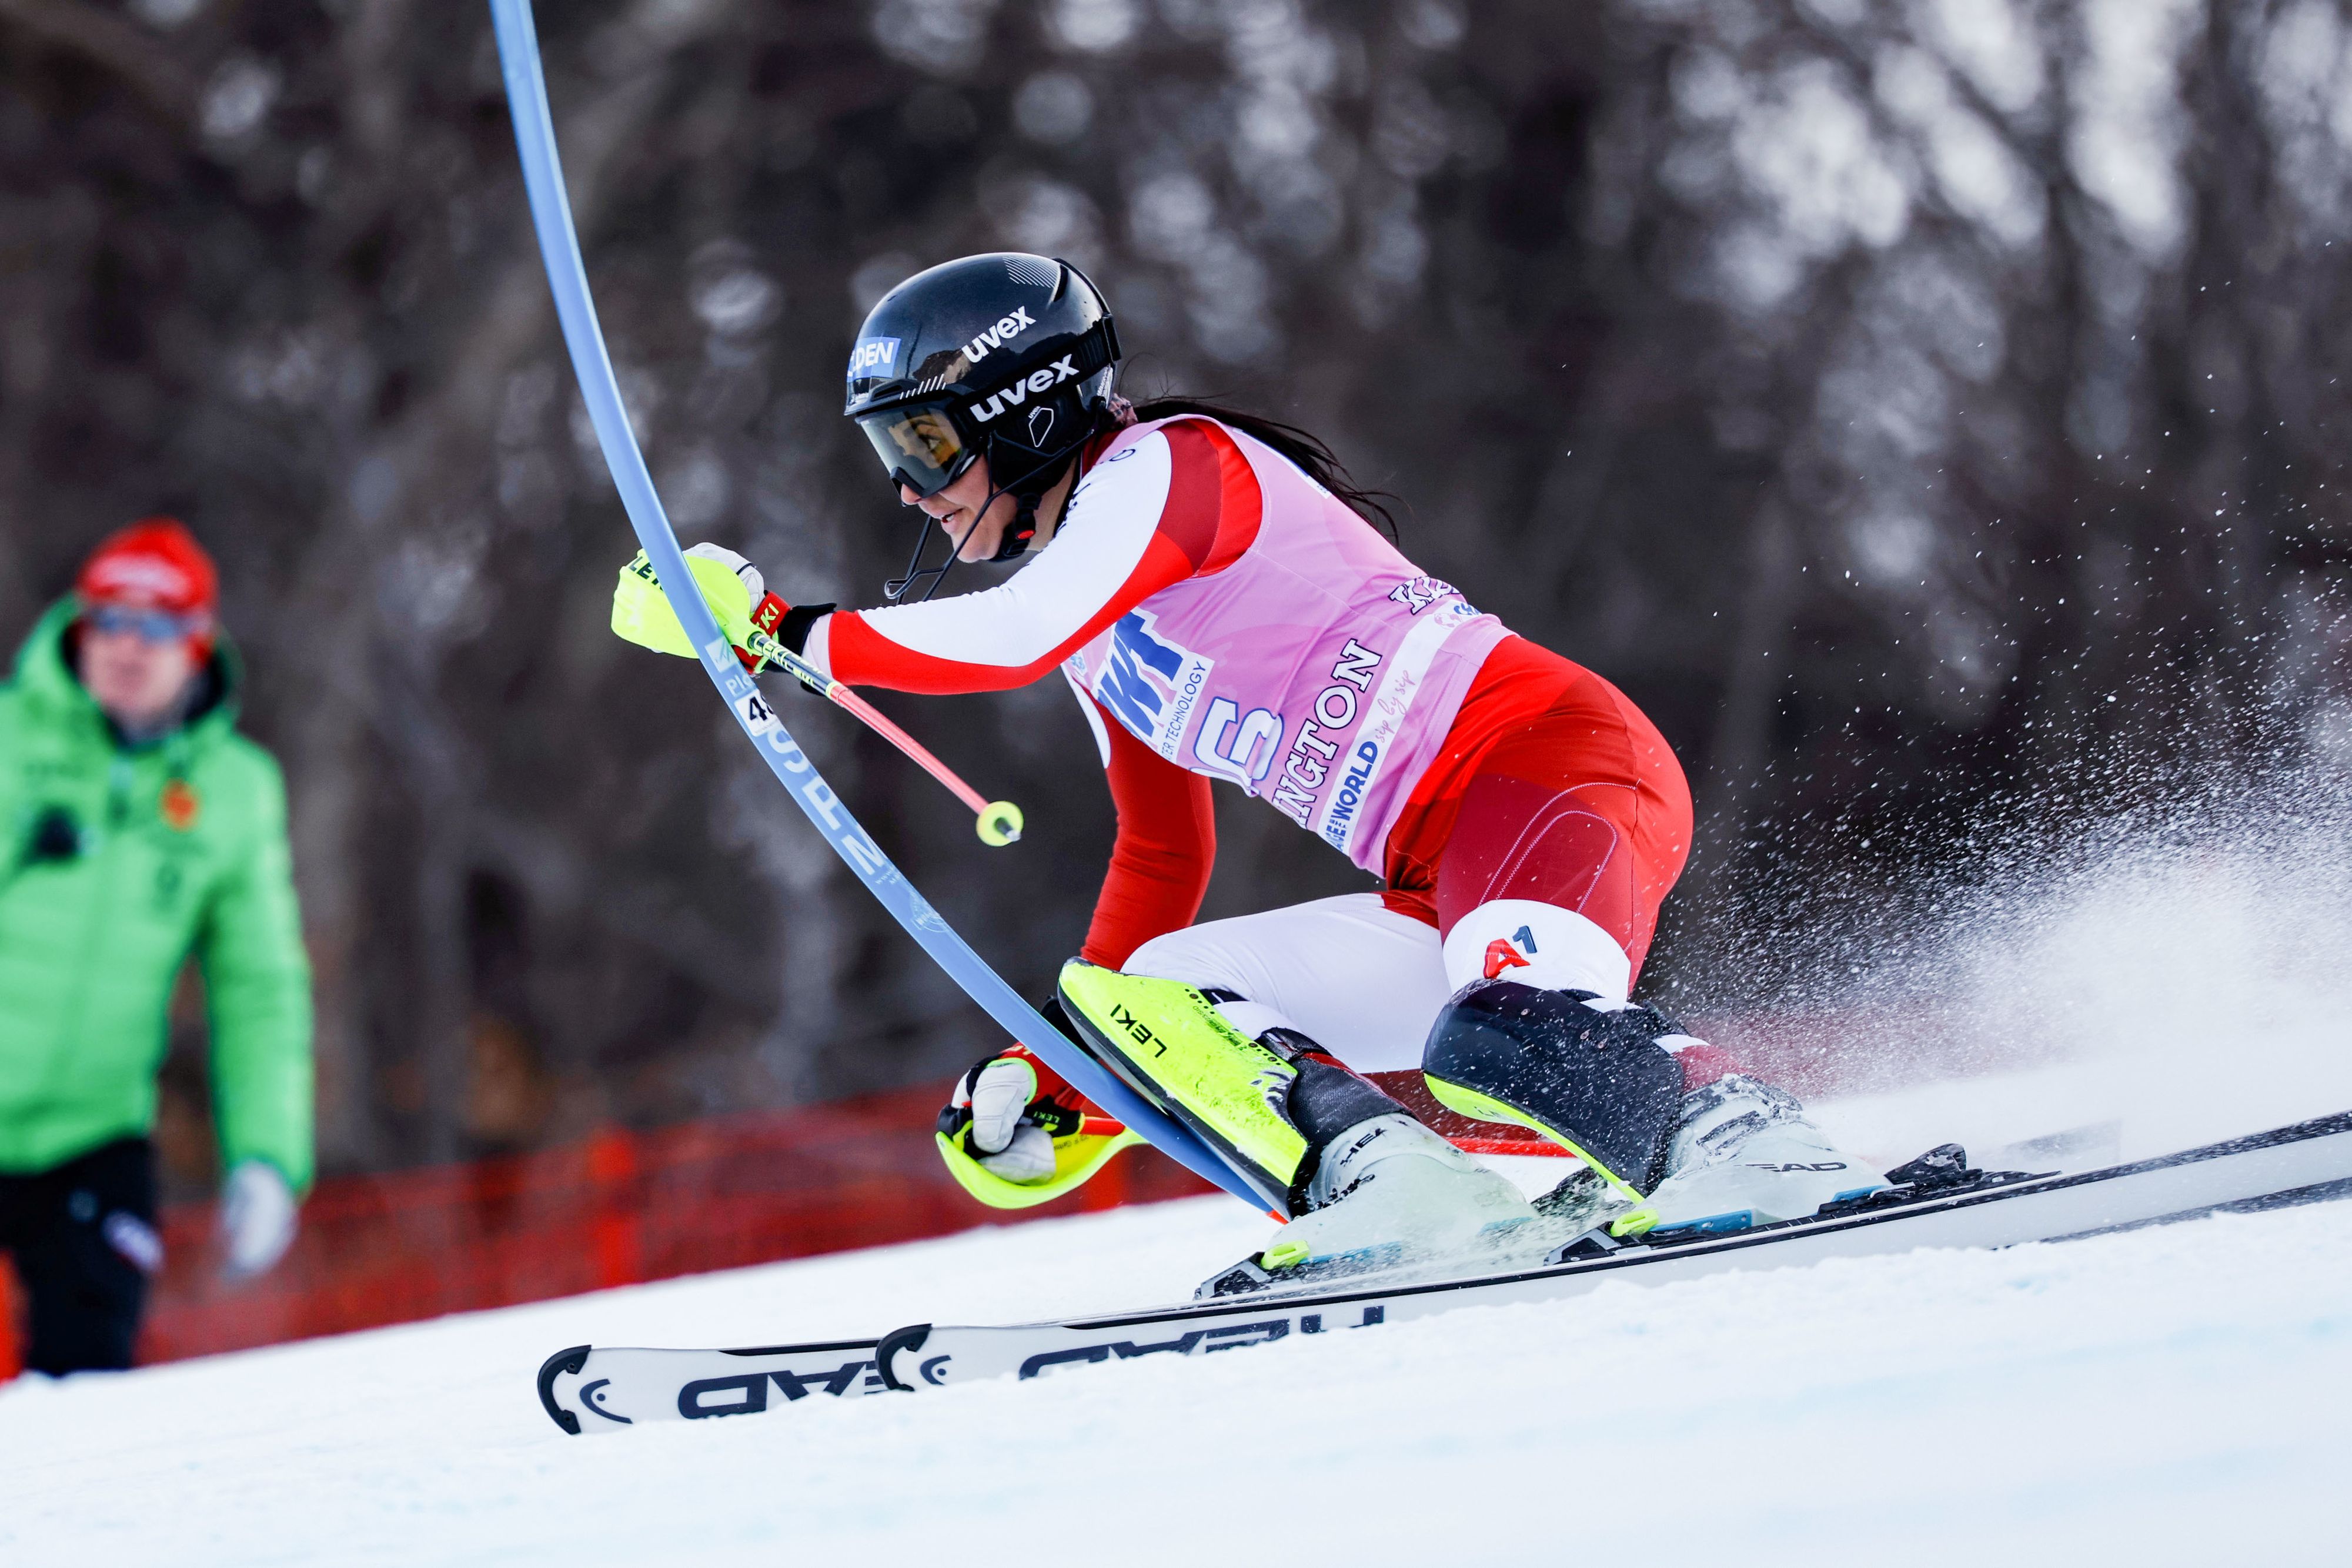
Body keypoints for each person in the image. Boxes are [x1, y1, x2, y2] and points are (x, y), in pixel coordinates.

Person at [614, 254, 1883, 1284]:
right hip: (1429, 877)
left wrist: (776, 631)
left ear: (1027, 411)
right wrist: (1069, 1073)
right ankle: (1400, 1193)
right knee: (1148, 995)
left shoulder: (1170, 470)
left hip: (1546, 766)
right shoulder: (1097, 624)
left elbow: (1006, 636)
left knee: (1503, 1033)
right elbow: (1162, 850)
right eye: (894, 454)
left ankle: (1752, 1147)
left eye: (927, 445)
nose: (909, 492)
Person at [0, 520, 312, 1373]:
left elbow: (259, 986)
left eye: (157, 626)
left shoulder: (236, 792)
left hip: (93, 1135)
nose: (128, 647)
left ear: (197, 642)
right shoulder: (11, 740)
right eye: (109, 621)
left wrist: (267, 1157)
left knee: (91, 1389)